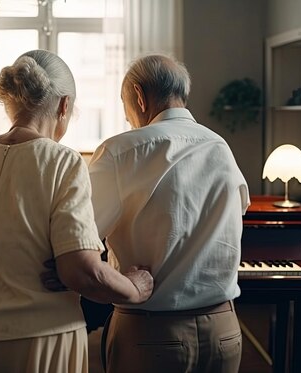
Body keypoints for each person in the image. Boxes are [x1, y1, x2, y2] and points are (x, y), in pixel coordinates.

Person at [0, 49, 153, 373]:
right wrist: (134, 287)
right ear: (64, 105)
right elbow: (82, 272)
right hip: (32, 339)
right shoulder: (63, 161)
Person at [88, 54, 250, 373]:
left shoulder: (120, 151)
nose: (129, 120)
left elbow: (80, 235)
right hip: (225, 331)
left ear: (138, 96)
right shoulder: (222, 148)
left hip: (152, 333)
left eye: (126, 109)